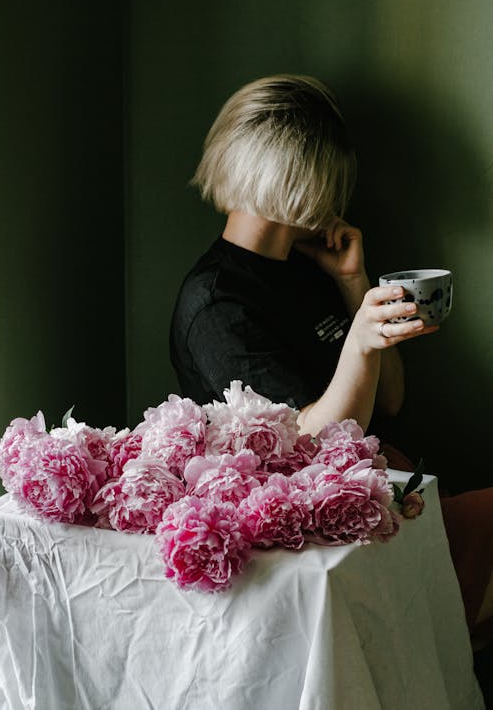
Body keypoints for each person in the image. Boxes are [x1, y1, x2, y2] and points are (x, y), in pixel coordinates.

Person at [170, 74, 492, 646]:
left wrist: (352, 284)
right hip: (314, 531)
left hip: (384, 488)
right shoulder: (218, 302)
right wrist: (362, 340)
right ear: (304, 179)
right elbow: (305, 443)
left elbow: (388, 400)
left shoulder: (305, 265)